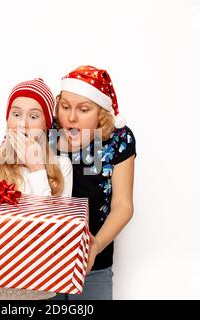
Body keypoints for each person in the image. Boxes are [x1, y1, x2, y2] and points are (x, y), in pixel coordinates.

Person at [0, 78, 73, 300]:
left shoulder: (62, 168)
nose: (23, 124)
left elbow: (54, 237)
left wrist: (37, 168)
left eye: (34, 116)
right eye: (17, 114)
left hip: (41, 295)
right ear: (7, 120)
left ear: (46, 125)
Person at [49, 65, 137, 300]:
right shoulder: (45, 133)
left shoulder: (119, 139)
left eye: (83, 109)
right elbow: (11, 181)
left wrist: (95, 246)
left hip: (94, 265)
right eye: (65, 106)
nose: (71, 117)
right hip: (43, 262)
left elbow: (123, 206)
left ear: (101, 114)